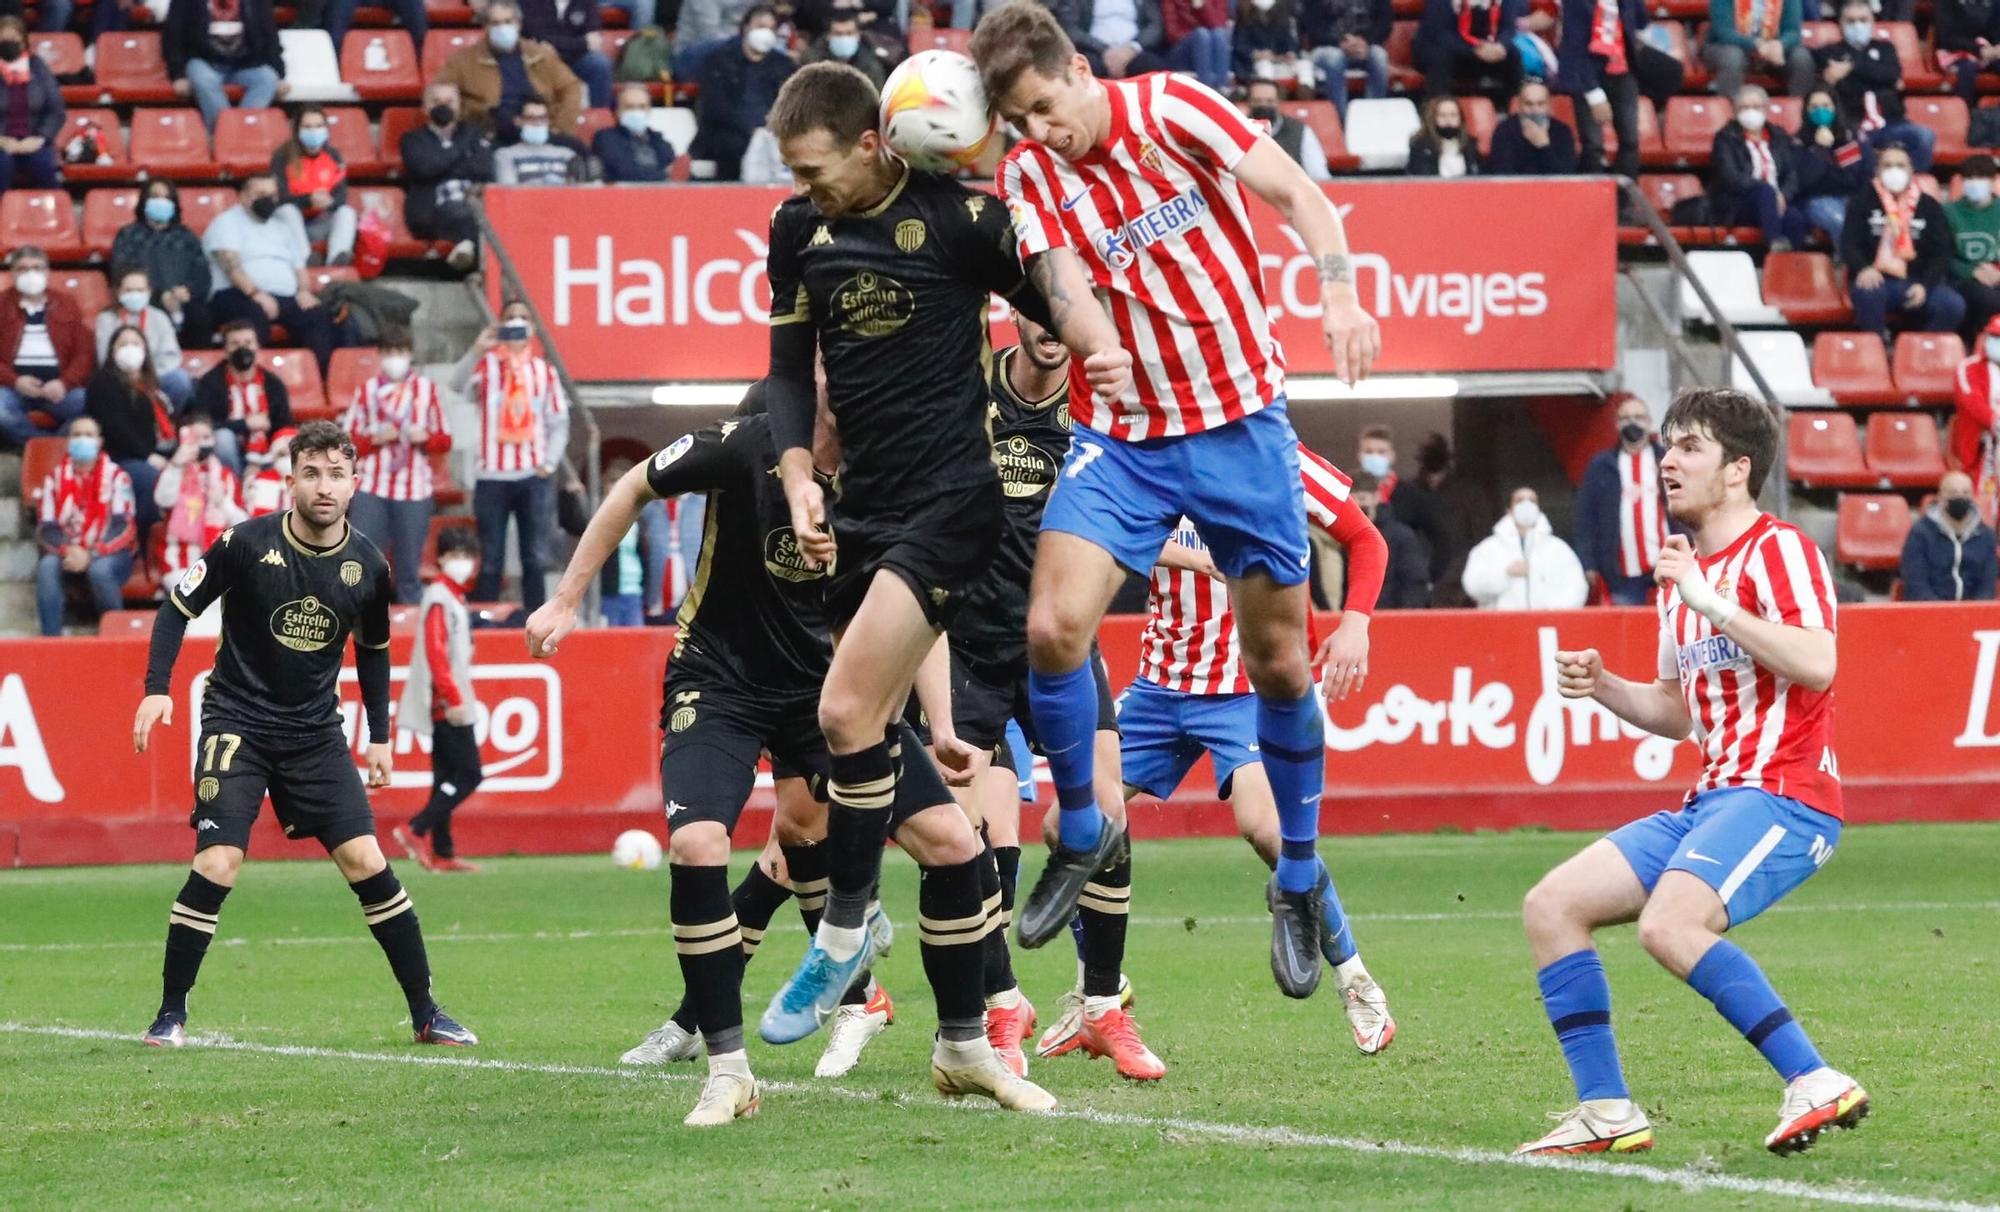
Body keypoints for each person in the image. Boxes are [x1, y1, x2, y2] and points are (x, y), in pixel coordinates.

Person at [973, 3, 1379, 996]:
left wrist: (1337, 292)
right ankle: (1080, 826)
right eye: (1017, 121)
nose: (1039, 134)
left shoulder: (1176, 106)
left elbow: (1298, 194)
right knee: (1053, 627)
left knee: (1278, 665)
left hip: (1239, 424)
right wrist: (1089, 339)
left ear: (1075, 70)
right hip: (1125, 438)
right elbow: (1060, 274)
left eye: (1043, 108)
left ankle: (1293, 875)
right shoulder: (1031, 171)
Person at [743, 63, 1069, 1114]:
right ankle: (967, 1043)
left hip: (952, 504)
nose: (801, 184)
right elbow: (790, 373)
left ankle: (843, 930)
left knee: (841, 709)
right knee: (947, 840)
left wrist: (1090, 331)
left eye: (810, 165)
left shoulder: (964, 219)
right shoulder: (797, 231)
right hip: (863, 514)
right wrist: (799, 475)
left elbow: (1052, 295)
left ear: (873, 142)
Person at [527, 381, 895, 1124]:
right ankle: (729, 1064)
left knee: (830, 833)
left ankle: (950, 1010)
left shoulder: (881, 472)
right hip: (717, 678)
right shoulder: (740, 444)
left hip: (819, 689)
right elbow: (634, 482)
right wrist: (567, 597)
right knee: (699, 843)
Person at [1522, 386, 1864, 1158]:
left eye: (1689, 447)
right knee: (1552, 906)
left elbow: (1818, 661)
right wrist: (1604, 685)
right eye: (1667, 445)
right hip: (1712, 799)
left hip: (1786, 793)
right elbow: (1678, 712)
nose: (1667, 460)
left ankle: (1813, 1078)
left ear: (1738, 470)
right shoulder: (1688, 580)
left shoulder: (1776, 551)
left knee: (1668, 925)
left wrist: (1710, 601)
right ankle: (1607, 1111)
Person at [1047, 443, 1394, 1078]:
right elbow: (1102, 540)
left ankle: (1357, 983)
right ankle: (1098, 991)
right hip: (1160, 687)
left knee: (1268, 830)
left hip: (1245, 689)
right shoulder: (1139, 455)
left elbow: (1366, 540)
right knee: (1064, 825)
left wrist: (1357, 622)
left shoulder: (1270, 450)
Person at [131, 420, 478, 1051]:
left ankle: (427, 1013)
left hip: (315, 732)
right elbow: (177, 607)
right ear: (290, 481)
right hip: (237, 721)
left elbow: (374, 651)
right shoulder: (243, 543)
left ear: (355, 482)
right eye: (311, 474)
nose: (324, 486)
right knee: (219, 861)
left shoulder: (370, 565)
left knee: (367, 861)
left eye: (336, 474)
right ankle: (170, 1013)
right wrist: (157, 687)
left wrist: (379, 734)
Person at [452, 300, 569, 615]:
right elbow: (456, 384)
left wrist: (548, 464)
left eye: (524, 318)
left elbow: (559, 422)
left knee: (534, 556)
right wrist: (478, 349)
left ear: (532, 327)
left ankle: (537, 622)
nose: (517, 324)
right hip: (492, 477)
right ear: (501, 325)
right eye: (511, 319)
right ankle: (485, 623)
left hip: (533, 476)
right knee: (491, 557)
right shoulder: (487, 365)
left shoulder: (544, 372)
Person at [392, 525, 486, 874]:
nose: (462, 562)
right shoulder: (439, 597)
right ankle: (415, 827)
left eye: (467, 555)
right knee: (469, 774)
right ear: (442, 558)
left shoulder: (452, 597)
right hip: (447, 700)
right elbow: (436, 651)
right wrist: (452, 695)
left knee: (445, 774)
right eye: (455, 555)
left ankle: (443, 851)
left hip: (448, 696)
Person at [344, 328, 450, 605]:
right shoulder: (367, 392)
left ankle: (410, 634)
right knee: (364, 564)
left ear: (410, 355)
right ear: (380, 356)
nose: (395, 359)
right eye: (390, 353)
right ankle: (360, 624)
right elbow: (348, 444)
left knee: (409, 569)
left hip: (414, 490)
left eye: (400, 353)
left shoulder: (427, 391)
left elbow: (445, 439)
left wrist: (426, 438)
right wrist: (375, 439)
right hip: (372, 488)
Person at [202, 174, 337, 375]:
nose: (268, 200)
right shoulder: (226, 222)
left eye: (272, 195)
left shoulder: (281, 226)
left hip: (284, 296)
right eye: (260, 194)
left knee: (316, 316)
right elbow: (231, 267)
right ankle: (255, 379)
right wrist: (257, 294)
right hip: (236, 294)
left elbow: (299, 267)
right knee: (253, 316)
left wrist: (303, 291)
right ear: (244, 197)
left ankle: (319, 379)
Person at [1841, 144, 1966, 340]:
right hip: (1877, 278)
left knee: (1952, 304)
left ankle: (1918, 351)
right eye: (1887, 165)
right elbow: (1849, 243)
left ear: (1911, 170)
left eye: (1900, 165)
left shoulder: (1928, 205)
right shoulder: (1861, 201)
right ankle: (1877, 351)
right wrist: (1864, 268)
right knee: (1869, 293)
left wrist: (1925, 285)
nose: (1894, 171)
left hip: (1916, 280)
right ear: (1877, 170)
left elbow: (1942, 251)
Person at [35, 416, 137, 635]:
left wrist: (90, 554)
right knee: (46, 567)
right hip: (68, 552)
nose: (83, 439)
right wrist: (68, 550)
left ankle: (115, 641)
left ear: (99, 441)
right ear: (68, 441)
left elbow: (124, 527)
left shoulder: (118, 477)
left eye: (88, 435)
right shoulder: (54, 479)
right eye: (77, 435)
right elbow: (46, 527)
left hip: (110, 554)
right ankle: (50, 643)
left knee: (100, 570)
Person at [435, 0, 587, 143]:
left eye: (508, 22)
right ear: (485, 27)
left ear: (518, 24)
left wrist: (558, 128)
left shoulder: (540, 54)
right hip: (490, 133)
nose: (502, 28)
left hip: (539, 126)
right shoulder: (462, 60)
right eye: (495, 23)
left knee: (578, 149)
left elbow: (571, 87)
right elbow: (440, 93)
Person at [1574, 396, 1670, 606]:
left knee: (1672, 628)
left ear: (1649, 422)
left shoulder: (1666, 460)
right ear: (1617, 424)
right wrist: (1588, 562)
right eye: (1625, 418)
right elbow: (1586, 517)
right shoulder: (1602, 465)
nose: (1632, 423)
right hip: (1622, 571)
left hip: (1667, 564)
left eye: (1638, 417)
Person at [1815, 0, 1934, 169]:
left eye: (1863, 20)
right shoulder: (1829, 52)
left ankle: (1910, 181)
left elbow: (1891, 74)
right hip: (1853, 124)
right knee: (1850, 148)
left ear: (1872, 22)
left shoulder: (1885, 49)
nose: (1857, 25)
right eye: (1851, 21)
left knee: (1924, 136)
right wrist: (1873, 74)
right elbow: (1884, 77)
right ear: (1840, 23)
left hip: (1890, 122)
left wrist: (1851, 67)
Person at [88, 323, 179, 530]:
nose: (130, 348)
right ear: (112, 351)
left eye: (136, 343)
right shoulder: (103, 381)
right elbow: (115, 427)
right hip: (122, 457)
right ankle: (146, 536)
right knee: (148, 477)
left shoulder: (151, 385)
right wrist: (147, 456)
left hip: (157, 452)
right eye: (123, 344)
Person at [0, 247, 93, 446]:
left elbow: (84, 352)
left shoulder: (66, 303)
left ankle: (49, 445)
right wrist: (15, 381)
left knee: (91, 403)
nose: (30, 274)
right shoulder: (1, 304)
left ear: (47, 272)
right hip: (12, 387)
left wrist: (64, 382)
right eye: (23, 269)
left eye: (37, 268)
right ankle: (41, 445)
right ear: (12, 273)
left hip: (59, 387)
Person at [692, 6, 796, 181]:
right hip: (728, 130)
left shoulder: (784, 65)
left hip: (773, 131)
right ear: (746, 27)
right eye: (760, 26)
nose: (765, 33)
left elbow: (792, 104)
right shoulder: (719, 60)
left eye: (771, 29)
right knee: (731, 144)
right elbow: (715, 107)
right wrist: (751, 128)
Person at [401, 82, 495, 273]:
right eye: (436, 101)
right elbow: (425, 169)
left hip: (476, 200)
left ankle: (468, 248)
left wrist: (442, 163)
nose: (443, 106)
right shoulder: (412, 139)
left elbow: (484, 168)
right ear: (425, 107)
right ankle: (471, 252)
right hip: (434, 209)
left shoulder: (474, 133)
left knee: (484, 214)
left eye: (450, 101)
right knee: (462, 213)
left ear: (459, 106)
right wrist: (462, 153)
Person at [112, 181, 214, 351]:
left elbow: (202, 272)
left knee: (201, 317)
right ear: (144, 201)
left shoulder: (186, 236)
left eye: (167, 197)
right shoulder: (128, 235)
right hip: (147, 299)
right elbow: (121, 271)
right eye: (155, 196)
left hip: (184, 300)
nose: (161, 201)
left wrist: (187, 290)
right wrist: (160, 295)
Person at [152, 414, 246, 590]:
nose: (201, 443)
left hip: (221, 558)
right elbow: (163, 501)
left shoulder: (225, 476)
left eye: (206, 438)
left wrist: (223, 503)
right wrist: (176, 465)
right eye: (196, 438)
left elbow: (242, 525)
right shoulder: (172, 472)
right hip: (180, 559)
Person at [163, 0, 287, 132]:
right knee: (203, 79)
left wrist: (279, 74)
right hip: (205, 61)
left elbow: (270, 34)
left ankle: (240, 133)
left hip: (246, 63)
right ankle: (226, 135)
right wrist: (178, 74)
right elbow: (172, 34)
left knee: (268, 78)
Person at [1709, 86, 1807, 249]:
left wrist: (1783, 195)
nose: (1751, 112)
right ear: (1735, 112)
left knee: (1795, 218)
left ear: (1766, 110)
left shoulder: (1779, 136)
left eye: (1756, 107)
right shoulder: (1725, 137)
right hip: (1740, 203)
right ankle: (1774, 245)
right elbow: (1729, 175)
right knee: (1765, 192)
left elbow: (1791, 174)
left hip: (1777, 201)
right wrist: (1767, 190)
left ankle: (1789, 265)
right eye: (1744, 108)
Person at [1557, 0, 1645, 179]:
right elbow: (1574, 47)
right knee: (1593, 145)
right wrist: (1593, 93)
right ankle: (1592, 202)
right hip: (1588, 73)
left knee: (1630, 141)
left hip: (1623, 71)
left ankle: (1625, 202)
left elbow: (1641, 20)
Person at [192, 319, 293, 475]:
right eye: (235, 344)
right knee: (223, 437)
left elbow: (284, 424)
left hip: (266, 452)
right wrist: (244, 424)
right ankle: (234, 484)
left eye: (248, 342)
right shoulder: (210, 382)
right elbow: (203, 424)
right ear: (225, 350)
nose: (242, 348)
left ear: (257, 347)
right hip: (227, 453)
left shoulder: (273, 383)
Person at [1462, 487, 1589, 609]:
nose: (1527, 505)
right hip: (1503, 626)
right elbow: (1472, 585)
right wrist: (1505, 574)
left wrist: (1552, 612)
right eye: (1520, 500)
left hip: (1546, 627)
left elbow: (1577, 587)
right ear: (1509, 510)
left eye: (1532, 501)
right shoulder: (1488, 548)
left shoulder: (1559, 549)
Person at [272, 105, 358, 268]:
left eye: (319, 126)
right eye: (307, 127)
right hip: (292, 225)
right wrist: (308, 200)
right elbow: (279, 197)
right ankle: (307, 261)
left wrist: (329, 202)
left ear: (326, 129)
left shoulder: (333, 155)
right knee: (287, 211)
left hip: (321, 221)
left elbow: (341, 195)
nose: (314, 131)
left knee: (347, 212)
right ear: (297, 130)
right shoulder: (282, 155)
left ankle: (336, 263)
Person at [97, 267, 194, 410]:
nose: (135, 294)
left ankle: (166, 419)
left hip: (155, 377)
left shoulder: (159, 317)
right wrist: (130, 376)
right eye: (129, 290)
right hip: (119, 379)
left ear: (148, 292)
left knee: (180, 379)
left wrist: (147, 375)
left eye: (140, 290)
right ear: (118, 292)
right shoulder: (106, 319)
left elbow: (171, 356)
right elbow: (104, 357)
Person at [1900, 470, 1998, 600]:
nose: (1959, 497)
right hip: (1930, 612)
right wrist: (1943, 614)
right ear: (1940, 497)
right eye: (1952, 492)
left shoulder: (1986, 536)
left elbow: (1987, 585)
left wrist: (1974, 614)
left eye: (1965, 493)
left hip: (1973, 614)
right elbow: (1916, 583)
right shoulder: (1920, 534)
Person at [0, 16, 63, 194]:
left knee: (43, 165)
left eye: (14, 40)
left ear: (24, 42)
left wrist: (40, 138)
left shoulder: (37, 66)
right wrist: (2, 141)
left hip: (34, 140)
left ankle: (52, 217)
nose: (9, 45)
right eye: (4, 41)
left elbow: (56, 110)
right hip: (2, 142)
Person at [1702, 0, 1814, 101]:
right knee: (1732, 57)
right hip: (1727, 47)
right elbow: (1724, 33)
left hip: (1771, 50)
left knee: (1801, 57)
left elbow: (1793, 32)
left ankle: (1799, 109)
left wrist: (1780, 44)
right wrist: (1756, 44)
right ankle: (1727, 111)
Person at [1793, 88, 1863, 248]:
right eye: (1814, 107)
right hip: (1817, 201)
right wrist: (1820, 148)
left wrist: (1825, 175)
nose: (1820, 111)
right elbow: (1805, 181)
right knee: (1840, 222)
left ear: (1835, 108)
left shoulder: (1847, 136)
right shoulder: (1799, 141)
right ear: (1806, 111)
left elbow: (1851, 178)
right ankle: (1846, 267)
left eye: (1826, 106)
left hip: (1850, 197)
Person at [1415, 0, 1522, 102]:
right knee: (1441, 57)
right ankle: (1438, 107)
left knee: (1513, 54)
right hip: (1442, 47)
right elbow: (1440, 35)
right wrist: (1474, 50)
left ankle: (1512, 107)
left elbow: (1508, 27)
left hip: (1483, 49)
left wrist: (1500, 45)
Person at [1348, 471, 1428, 606]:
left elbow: (1414, 585)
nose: (1357, 506)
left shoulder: (1401, 537)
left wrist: (1403, 622)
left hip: (1389, 618)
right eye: (1351, 501)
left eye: (1362, 498)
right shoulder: (1341, 537)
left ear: (1376, 497)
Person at [1301, 0, 1390, 119]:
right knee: (1334, 59)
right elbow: (1311, 25)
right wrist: (1340, 42)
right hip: (1326, 46)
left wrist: (1365, 41)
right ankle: (1341, 121)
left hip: (1364, 45)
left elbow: (1385, 21)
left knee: (1379, 56)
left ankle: (1372, 117)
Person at [520, 0, 614, 109]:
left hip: (576, 58)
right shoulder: (530, 3)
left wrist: (557, 45)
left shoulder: (587, 2)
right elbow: (535, 37)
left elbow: (593, 40)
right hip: (543, 58)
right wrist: (581, 43)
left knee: (600, 64)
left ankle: (600, 115)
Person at [1947, 154, 2000, 338]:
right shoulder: (1949, 212)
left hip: (1996, 273)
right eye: (1970, 177)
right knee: (1988, 298)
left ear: (1993, 180)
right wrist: (1972, 271)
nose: (1975, 182)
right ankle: (1976, 343)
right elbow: (1943, 256)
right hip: (1963, 278)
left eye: (1981, 177)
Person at [1952, 314, 2000, 514]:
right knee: (1984, 504)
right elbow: (1973, 402)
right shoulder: (1968, 367)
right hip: (1981, 447)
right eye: (1994, 337)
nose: (1996, 343)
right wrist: (1996, 421)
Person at [1047, 0, 1168, 79]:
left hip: (1134, 51)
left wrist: (1132, 48)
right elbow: (1070, 28)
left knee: (1153, 67)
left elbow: (1155, 26)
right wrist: (1105, 51)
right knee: (1083, 68)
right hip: (1094, 51)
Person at [1487, 78, 1579, 175]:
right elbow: (1503, 175)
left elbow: (1566, 177)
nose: (1535, 110)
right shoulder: (1504, 131)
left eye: (1540, 104)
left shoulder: (1562, 131)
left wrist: (1544, 147)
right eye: (1528, 104)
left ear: (1549, 105)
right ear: (1519, 105)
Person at [1246, 78, 1331, 182]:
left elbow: (1319, 175)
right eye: (1257, 101)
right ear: (1249, 102)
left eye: (1269, 101)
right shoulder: (1237, 130)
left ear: (1278, 102)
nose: (1264, 106)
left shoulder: (1300, 131)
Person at [493, 94, 586, 184]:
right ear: (518, 121)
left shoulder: (567, 155)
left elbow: (577, 191)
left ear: (548, 121)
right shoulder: (505, 155)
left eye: (542, 118)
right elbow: (508, 193)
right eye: (530, 118)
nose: (537, 123)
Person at [594, 82, 676, 182]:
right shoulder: (606, 139)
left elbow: (674, 169)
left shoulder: (658, 140)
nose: (636, 112)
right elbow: (624, 172)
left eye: (642, 107)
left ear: (649, 110)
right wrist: (662, 174)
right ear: (617, 111)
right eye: (629, 107)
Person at [1233, 0, 1312, 92]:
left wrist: (1290, 52)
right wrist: (1256, 54)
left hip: (1280, 61)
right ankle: (1269, 93)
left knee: (1305, 65)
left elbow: (1289, 40)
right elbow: (1239, 45)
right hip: (1255, 66)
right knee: (1264, 65)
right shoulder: (1245, 16)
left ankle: (1306, 93)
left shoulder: (1281, 16)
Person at [1936, 0, 2000, 108]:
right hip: (1955, 52)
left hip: (1988, 51)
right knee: (1967, 68)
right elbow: (1946, 37)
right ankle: (1964, 116)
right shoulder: (1946, 2)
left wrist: (1996, 48)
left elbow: (1996, 32)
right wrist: (1979, 50)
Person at [801, 12, 887, 89]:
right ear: (828, 36)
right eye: (838, 34)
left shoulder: (871, 64)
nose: (844, 38)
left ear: (858, 35)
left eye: (849, 33)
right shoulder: (812, 62)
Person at [1161, 0, 1232, 94]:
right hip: (1181, 52)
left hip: (1211, 47)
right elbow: (1172, 34)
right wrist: (1196, 37)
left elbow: (1219, 25)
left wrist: (1202, 7)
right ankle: (1207, 90)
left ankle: (1223, 89)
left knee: (1219, 34)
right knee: (1201, 34)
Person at [1406, 94, 1482, 177]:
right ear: (1433, 118)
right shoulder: (1420, 145)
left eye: (1453, 115)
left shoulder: (1470, 144)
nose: (1448, 120)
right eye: (1442, 115)